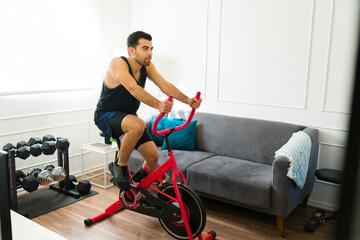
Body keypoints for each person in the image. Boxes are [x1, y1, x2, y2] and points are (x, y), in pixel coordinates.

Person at [94, 31, 202, 191]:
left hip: (129, 117)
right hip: (106, 115)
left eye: (151, 48)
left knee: (153, 156)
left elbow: (165, 85)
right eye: (145, 48)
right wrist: (158, 104)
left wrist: (188, 100)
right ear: (132, 50)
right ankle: (119, 166)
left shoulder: (147, 67)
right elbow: (132, 88)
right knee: (137, 124)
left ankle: (143, 178)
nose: (150, 53)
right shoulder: (118, 63)